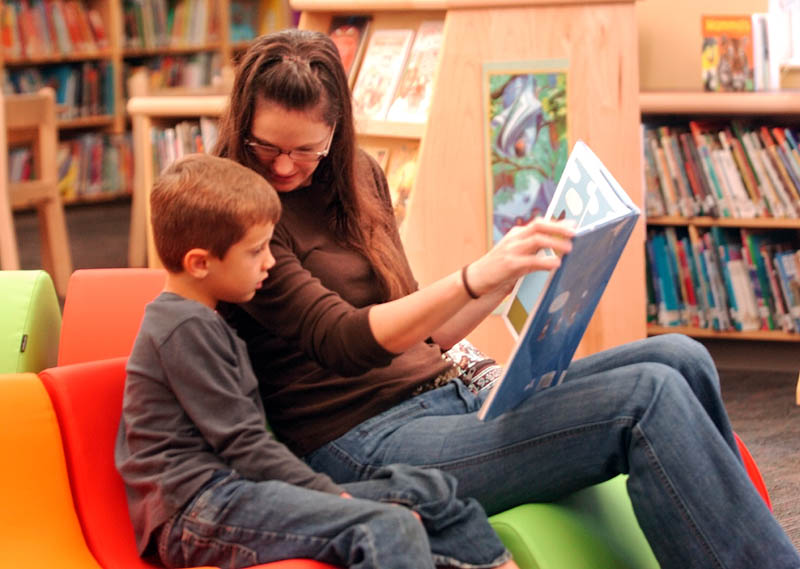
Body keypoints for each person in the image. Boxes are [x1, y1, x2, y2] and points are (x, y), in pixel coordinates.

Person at [216, 29, 800, 569]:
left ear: (336, 131)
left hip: (449, 396)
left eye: (306, 150)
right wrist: (473, 276)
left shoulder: (358, 176)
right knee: (645, 398)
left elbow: (423, 336)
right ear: (243, 125)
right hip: (362, 443)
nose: (286, 166)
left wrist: (508, 279)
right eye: (267, 147)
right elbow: (345, 340)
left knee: (681, 356)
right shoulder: (241, 215)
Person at [115, 153, 518, 569]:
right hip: (201, 510)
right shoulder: (184, 328)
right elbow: (244, 445)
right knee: (388, 525)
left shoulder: (205, 322)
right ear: (199, 263)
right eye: (256, 252)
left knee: (429, 491)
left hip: (237, 494)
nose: (270, 263)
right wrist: (327, 494)